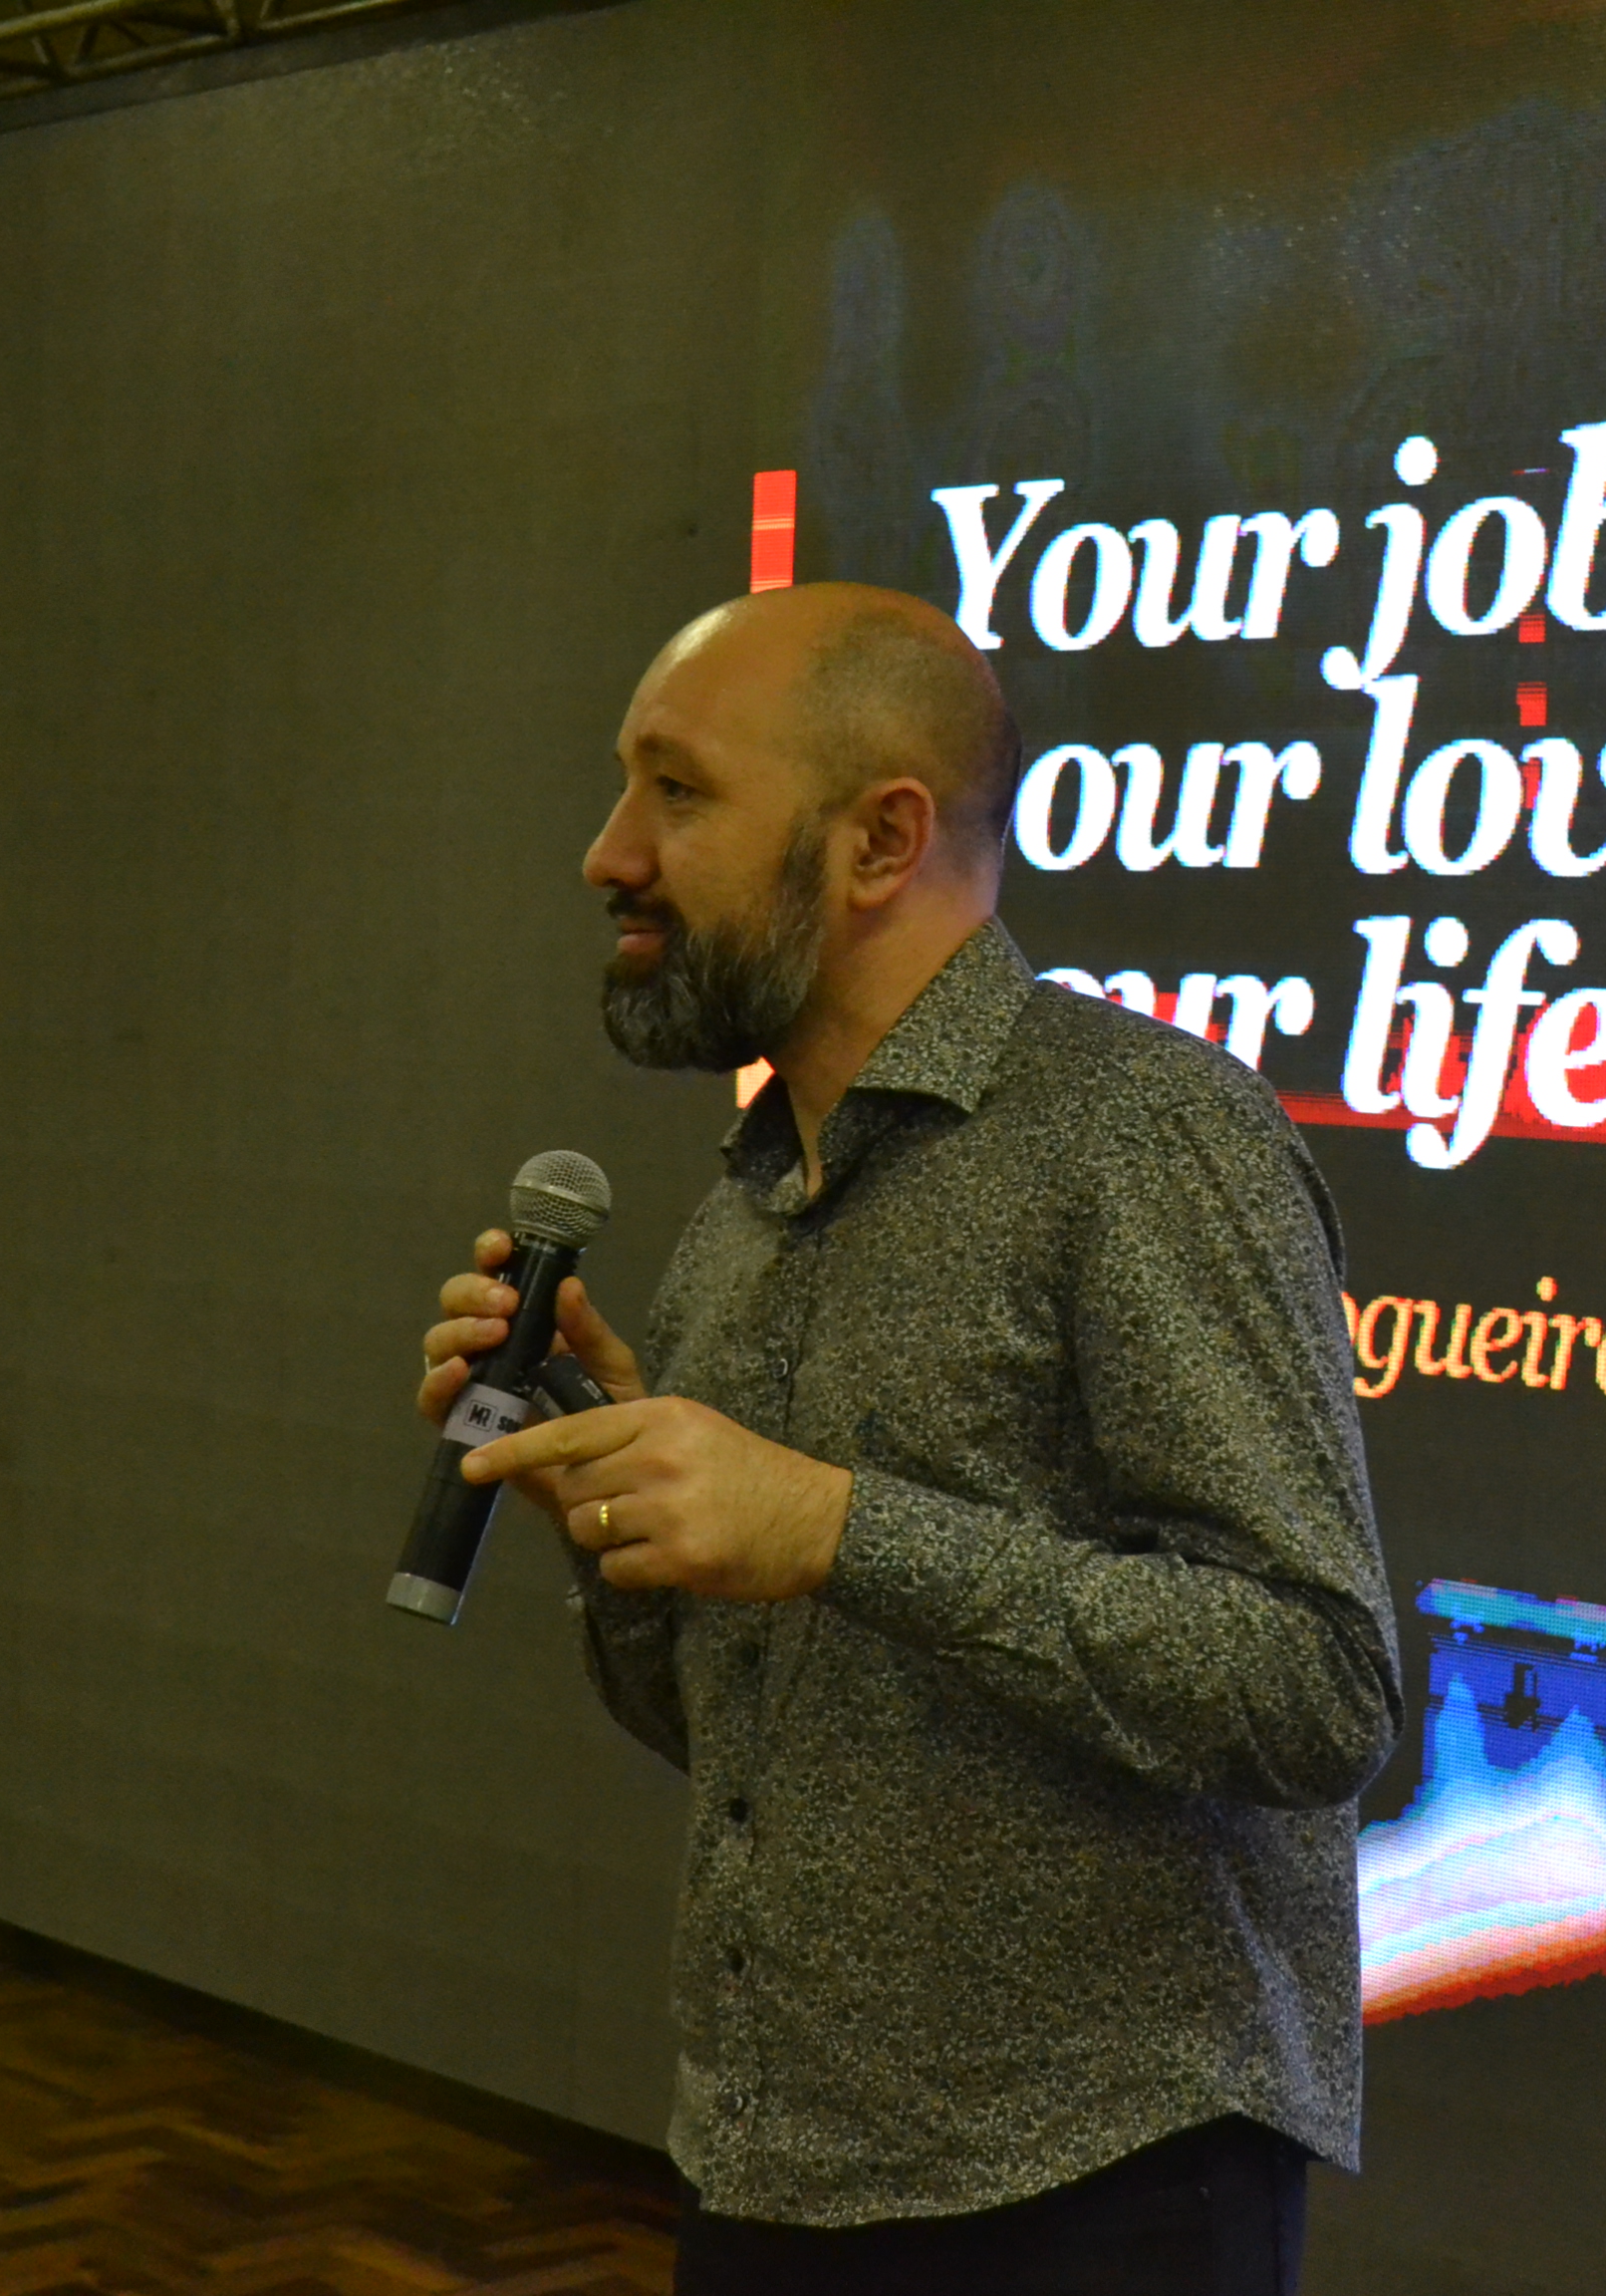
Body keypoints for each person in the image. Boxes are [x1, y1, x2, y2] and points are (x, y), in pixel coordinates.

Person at [411, 581, 1400, 2296]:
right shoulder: (747, 1211)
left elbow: (1317, 1688)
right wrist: (613, 1504)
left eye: (677, 790)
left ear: (881, 841)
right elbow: (734, 1742)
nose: (608, 853)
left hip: (1096, 2195)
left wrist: (835, 1530)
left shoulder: (1144, 1135)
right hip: (774, 2163)